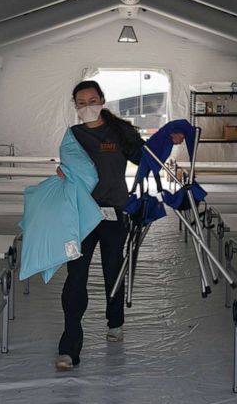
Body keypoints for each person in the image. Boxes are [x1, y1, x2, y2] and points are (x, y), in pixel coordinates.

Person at [54, 80, 182, 371]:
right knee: (76, 276)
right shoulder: (72, 136)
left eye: (92, 100)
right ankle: (69, 346)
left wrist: (169, 141)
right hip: (81, 215)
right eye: (81, 103)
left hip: (114, 212)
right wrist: (62, 172)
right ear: (75, 106)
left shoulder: (119, 132)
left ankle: (115, 322)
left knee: (114, 269)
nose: (88, 107)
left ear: (102, 99)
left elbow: (146, 157)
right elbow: (69, 167)